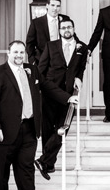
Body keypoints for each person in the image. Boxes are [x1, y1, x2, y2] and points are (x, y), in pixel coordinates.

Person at [0, 40, 72, 190]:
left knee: (26, 169)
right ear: (8, 53)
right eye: (15, 52)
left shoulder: (32, 70)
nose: (19, 56)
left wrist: (68, 98)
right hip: (3, 132)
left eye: (22, 53)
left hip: (29, 129)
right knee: (2, 171)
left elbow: (48, 87)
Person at [34, 19, 87, 180]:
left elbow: (81, 67)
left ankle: (44, 161)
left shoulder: (81, 47)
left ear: (74, 28)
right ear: (59, 30)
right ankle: (48, 164)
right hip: (50, 93)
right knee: (48, 129)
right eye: (63, 28)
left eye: (69, 27)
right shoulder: (51, 46)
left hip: (70, 94)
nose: (66, 30)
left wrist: (79, 77)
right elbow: (41, 70)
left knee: (63, 127)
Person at [25, 0, 71, 66]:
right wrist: (33, 61)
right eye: (52, 5)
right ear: (47, 6)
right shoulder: (36, 22)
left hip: (62, 61)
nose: (55, 8)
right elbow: (29, 43)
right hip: (42, 61)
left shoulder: (65, 19)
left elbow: (71, 35)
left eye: (58, 6)